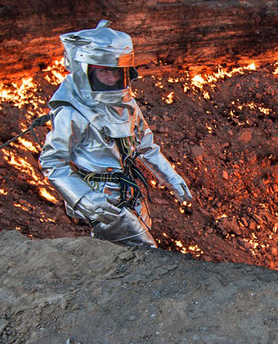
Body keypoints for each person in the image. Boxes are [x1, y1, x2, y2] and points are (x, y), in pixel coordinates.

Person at [39, 20, 192, 247]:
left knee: (126, 254)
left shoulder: (127, 105)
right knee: (145, 251)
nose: (112, 79)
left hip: (130, 193)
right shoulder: (71, 114)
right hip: (102, 200)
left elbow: (145, 146)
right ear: (86, 70)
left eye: (116, 71)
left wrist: (172, 178)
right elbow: (52, 162)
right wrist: (85, 199)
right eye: (104, 71)